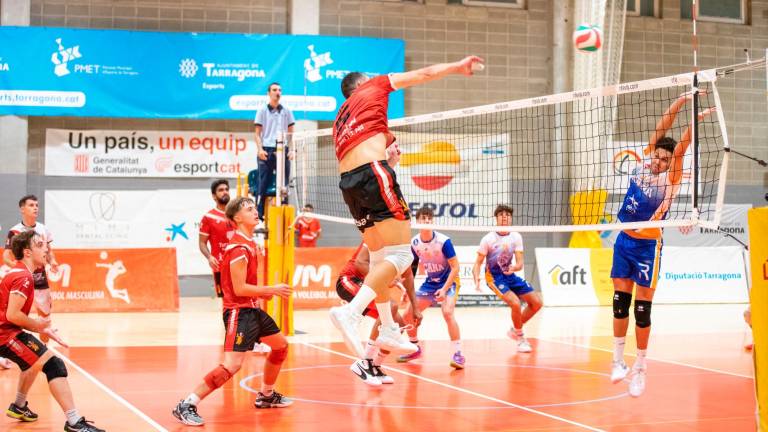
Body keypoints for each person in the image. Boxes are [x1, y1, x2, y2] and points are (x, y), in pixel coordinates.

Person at [329, 55, 484, 359]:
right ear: (361, 83)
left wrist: (389, 159)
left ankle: (388, 327)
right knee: (401, 254)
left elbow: (366, 151)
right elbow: (425, 72)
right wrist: (456, 66)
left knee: (378, 259)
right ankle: (351, 311)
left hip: (348, 183)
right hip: (371, 175)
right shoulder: (373, 86)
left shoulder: (340, 118)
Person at [609, 93, 715, 397]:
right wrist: (681, 99)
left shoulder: (670, 179)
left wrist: (695, 119)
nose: (659, 160)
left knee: (642, 310)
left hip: (647, 249)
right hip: (624, 241)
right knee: (619, 304)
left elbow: (680, 148)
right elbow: (660, 127)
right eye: (657, 155)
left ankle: (640, 368)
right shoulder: (644, 162)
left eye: (665, 159)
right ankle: (618, 361)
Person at [173, 197, 294, 426]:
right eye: (249, 209)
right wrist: (271, 290)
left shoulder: (249, 243)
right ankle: (187, 404)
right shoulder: (238, 246)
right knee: (232, 365)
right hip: (239, 312)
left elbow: (246, 286)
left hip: (251, 309)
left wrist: (260, 295)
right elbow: (239, 289)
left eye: (254, 208)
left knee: (280, 346)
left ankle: (266, 395)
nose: (255, 211)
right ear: (237, 218)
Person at [1, 230, 105, 431]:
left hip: (7, 332)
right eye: (40, 245)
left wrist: (43, 329)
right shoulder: (23, 277)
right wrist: (40, 325)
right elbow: (12, 315)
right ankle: (74, 422)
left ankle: (19, 406)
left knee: (33, 360)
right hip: (5, 336)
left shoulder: (20, 273)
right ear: (27, 252)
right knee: (54, 365)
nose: (46, 248)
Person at [335, 242, 421, 386]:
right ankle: (365, 362)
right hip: (350, 280)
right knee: (392, 306)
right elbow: (360, 263)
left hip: (374, 285)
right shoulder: (380, 234)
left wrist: (415, 307)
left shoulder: (405, 248)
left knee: (398, 326)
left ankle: (375, 365)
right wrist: (384, 279)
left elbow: (409, 278)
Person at [398, 207, 464, 369]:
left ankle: (458, 354)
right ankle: (415, 347)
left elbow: (455, 267)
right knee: (407, 314)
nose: (426, 222)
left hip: (449, 281)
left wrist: (444, 289)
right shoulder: (415, 243)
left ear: (432, 221)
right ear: (418, 222)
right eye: (423, 219)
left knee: (447, 313)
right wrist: (407, 290)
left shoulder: (443, 241)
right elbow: (411, 269)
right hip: (430, 282)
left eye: (429, 219)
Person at [472, 205, 543, 353]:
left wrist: (515, 268)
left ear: (511, 219)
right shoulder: (488, 238)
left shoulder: (516, 236)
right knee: (515, 303)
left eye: (508, 215)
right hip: (494, 278)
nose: (505, 217)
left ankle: (514, 329)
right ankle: (520, 338)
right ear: (496, 218)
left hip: (510, 275)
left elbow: (520, 262)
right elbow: (477, 263)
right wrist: (476, 278)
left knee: (537, 303)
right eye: (501, 215)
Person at [3, 195, 57, 344]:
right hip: (21, 279)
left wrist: (52, 261)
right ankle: (6, 351)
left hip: (40, 278)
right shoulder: (14, 231)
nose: (35, 208)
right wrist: (22, 270)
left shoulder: (43, 229)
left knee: (45, 317)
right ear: (22, 209)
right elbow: (6, 256)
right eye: (31, 205)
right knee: (12, 315)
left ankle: (44, 349)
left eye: (37, 205)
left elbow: (49, 251)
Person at [254, 82, 295, 221]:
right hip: (266, 149)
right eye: (274, 90)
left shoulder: (287, 111)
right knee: (262, 182)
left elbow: (291, 133)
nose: (278, 92)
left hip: (282, 149)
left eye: (280, 90)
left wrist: (291, 150)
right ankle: (258, 212)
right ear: (269, 93)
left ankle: (283, 212)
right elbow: (257, 133)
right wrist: (260, 149)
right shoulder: (262, 111)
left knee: (284, 183)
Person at [199, 180, 235, 298]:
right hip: (220, 266)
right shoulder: (208, 218)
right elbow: (202, 243)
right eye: (221, 190)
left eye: (226, 189)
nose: (225, 192)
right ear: (214, 196)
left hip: (239, 263)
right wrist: (209, 257)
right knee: (226, 300)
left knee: (242, 299)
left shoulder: (237, 214)